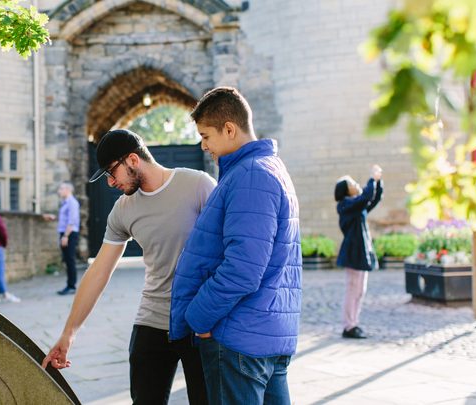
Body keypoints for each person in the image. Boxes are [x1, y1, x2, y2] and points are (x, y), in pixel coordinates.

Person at [42, 129, 215, 405]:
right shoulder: (123, 209)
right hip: (152, 319)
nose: (110, 183)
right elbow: (99, 271)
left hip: (200, 321)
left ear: (133, 160)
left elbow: (228, 251)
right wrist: (68, 334)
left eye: (112, 172)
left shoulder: (198, 185)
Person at [170, 87, 302, 405]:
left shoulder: (251, 176)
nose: (204, 146)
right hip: (265, 335)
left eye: (206, 136)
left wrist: (198, 318)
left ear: (229, 129)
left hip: (238, 339)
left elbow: (242, 268)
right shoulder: (270, 169)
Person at [334, 165, 383, 339]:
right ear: (346, 191)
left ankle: (354, 323)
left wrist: (377, 182)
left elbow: (373, 199)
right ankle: (349, 326)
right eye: (352, 183)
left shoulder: (355, 206)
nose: (356, 184)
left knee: (360, 290)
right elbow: (366, 197)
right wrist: (372, 179)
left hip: (360, 253)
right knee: (353, 290)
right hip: (353, 253)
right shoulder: (346, 205)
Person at [55, 182, 81, 295]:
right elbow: (65, 218)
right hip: (65, 233)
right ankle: (70, 285)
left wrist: (66, 236)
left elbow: (72, 221)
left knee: (70, 260)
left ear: (68, 190)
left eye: (61, 188)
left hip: (69, 234)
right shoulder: (65, 202)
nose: (59, 191)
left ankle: (71, 286)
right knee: (67, 260)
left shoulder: (72, 202)